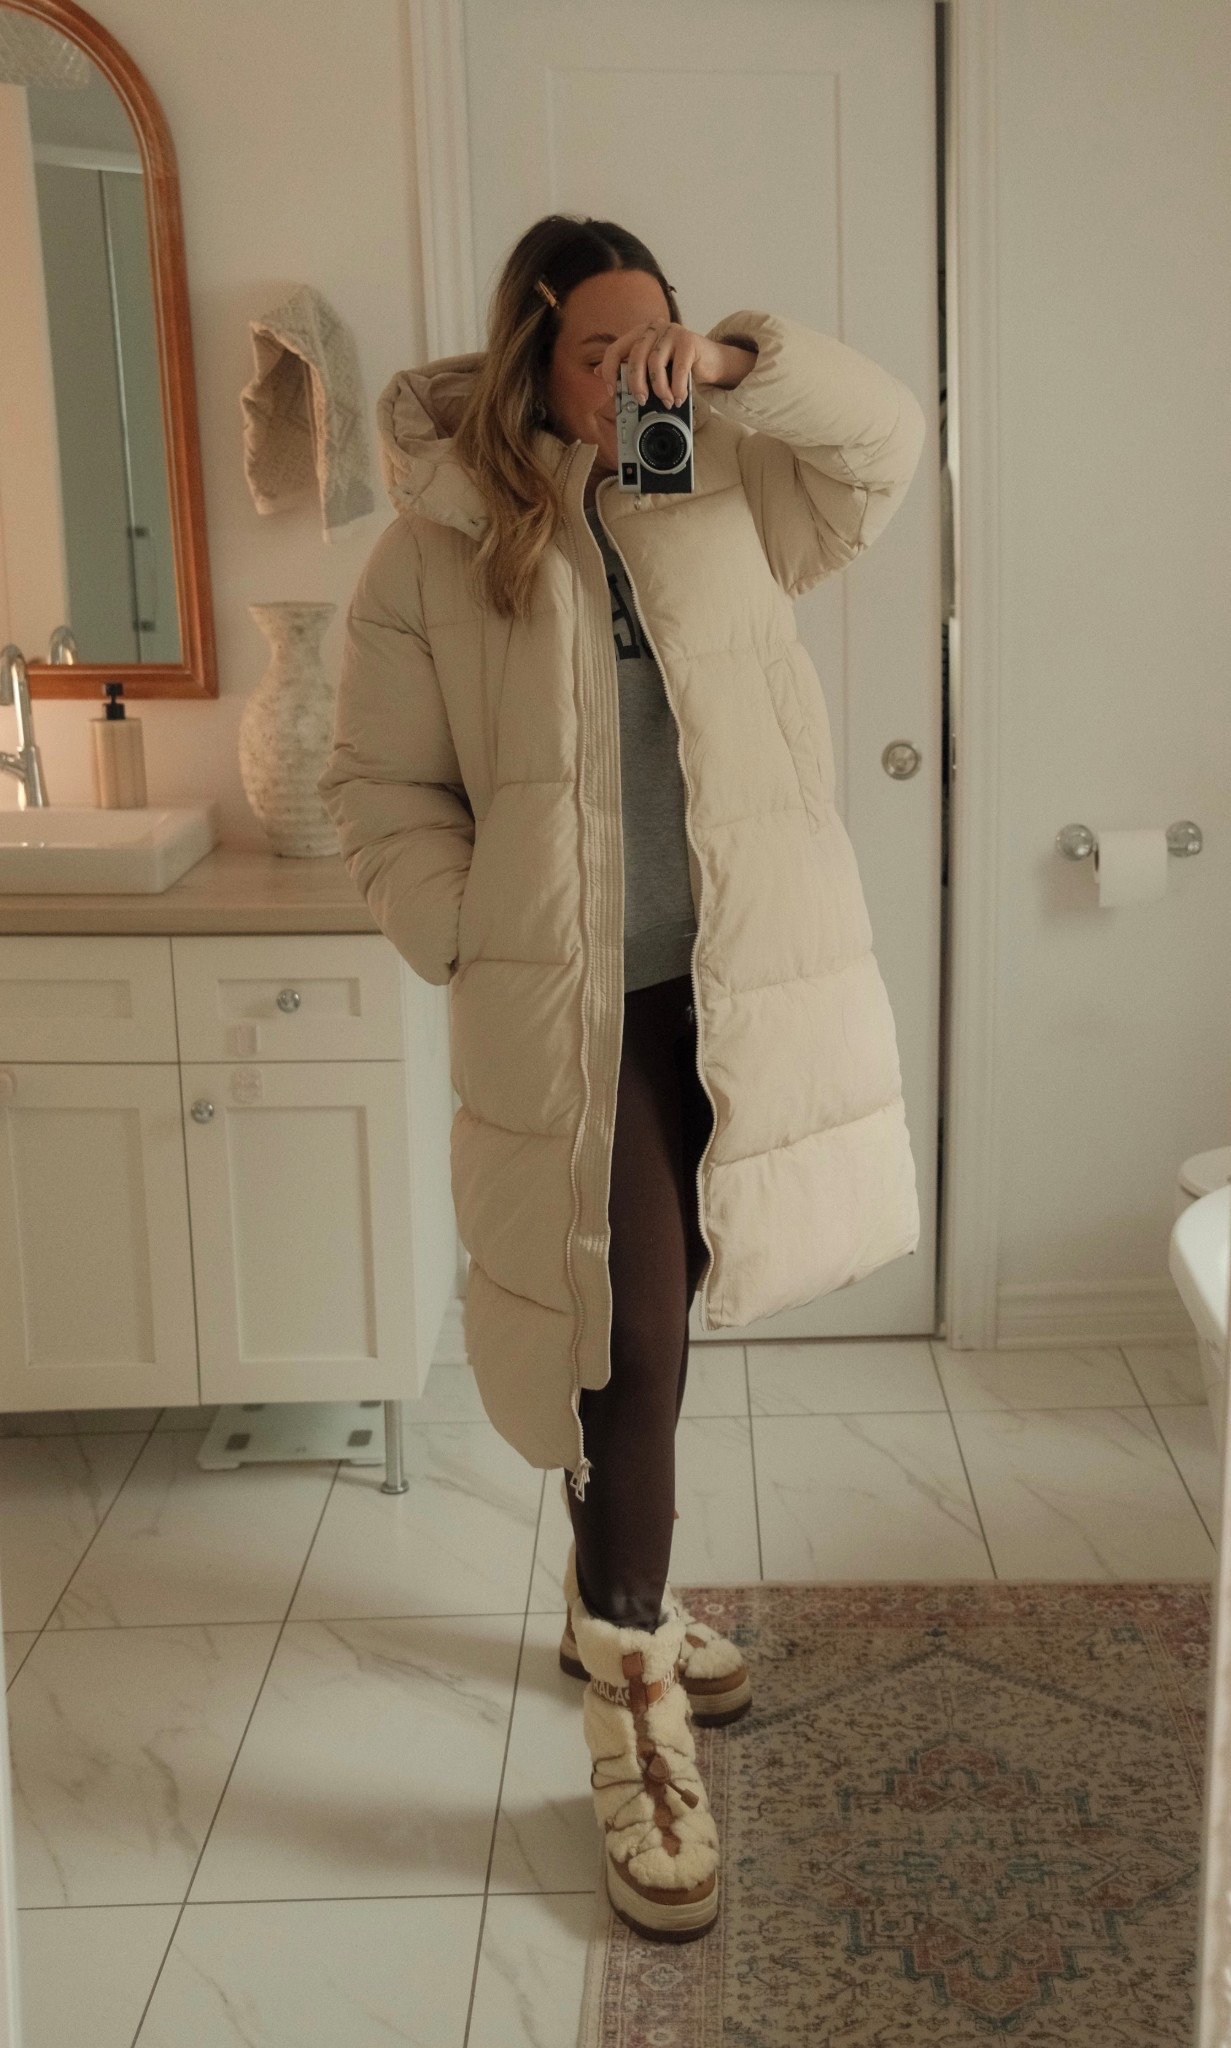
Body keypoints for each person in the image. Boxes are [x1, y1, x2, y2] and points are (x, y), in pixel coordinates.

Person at [317, 212, 926, 1944]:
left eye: (656, 338)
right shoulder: (436, 550)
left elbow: (887, 449)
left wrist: (736, 366)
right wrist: (478, 932)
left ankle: (615, 1590)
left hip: (732, 993)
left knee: (650, 1318)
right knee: (629, 1337)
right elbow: (374, 789)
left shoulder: (725, 482)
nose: (635, 374)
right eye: (603, 347)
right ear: (532, 357)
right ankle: (635, 1702)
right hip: (579, 1016)